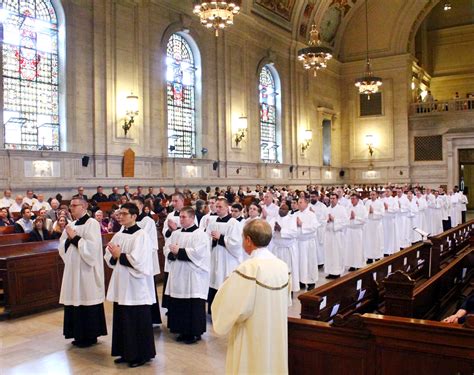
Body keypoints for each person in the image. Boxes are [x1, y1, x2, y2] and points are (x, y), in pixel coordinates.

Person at [212, 219, 290, 375]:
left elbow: (235, 309)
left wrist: (228, 284)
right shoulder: (282, 266)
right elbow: (286, 301)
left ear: (248, 240)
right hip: (274, 332)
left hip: (252, 335)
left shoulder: (248, 268)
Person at [105, 203, 156, 368]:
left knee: (136, 320)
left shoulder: (141, 235)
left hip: (136, 286)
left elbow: (140, 261)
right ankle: (126, 352)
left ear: (134, 216)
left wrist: (120, 255)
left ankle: (140, 355)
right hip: (122, 283)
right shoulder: (120, 234)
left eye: (124, 214)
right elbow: (109, 256)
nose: (120, 216)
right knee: (123, 319)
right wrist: (113, 255)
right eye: (119, 214)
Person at [58, 197, 107, 348]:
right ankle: (77, 334)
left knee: (86, 299)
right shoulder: (71, 225)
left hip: (86, 271)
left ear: (84, 207)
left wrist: (74, 237)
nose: (71, 208)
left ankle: (90, 335)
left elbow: (92, 248)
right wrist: (69, 239)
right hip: (73, 270)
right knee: (74, 299)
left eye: (74, 205)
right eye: (70, 206)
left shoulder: (91, 223)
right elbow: (62, 245)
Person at [164, 206, 210, 344]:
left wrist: (180, 251)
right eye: (180, 217)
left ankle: (194, 332)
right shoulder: (176, 233)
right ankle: (181, 330)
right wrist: (172, 252)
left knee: (192, 303)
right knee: (179, 303)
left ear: (192, 218)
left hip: (193, 275)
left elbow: (199, 253)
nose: (181, 219)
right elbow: (166, 248)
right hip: (178, 273)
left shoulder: (200, 234)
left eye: (184, 217)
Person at [206, 197, 243, 312]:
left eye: (220, 206)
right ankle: (213, 310)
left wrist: (220, 238)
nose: (217, 209)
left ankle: (227, 311)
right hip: (214, 256)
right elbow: (206, 239)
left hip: (227, 258)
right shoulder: (212, 222)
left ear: (227, 208)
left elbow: (236, 243)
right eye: (216, 206)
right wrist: (211, 240)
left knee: (225, 282)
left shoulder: (234, 223)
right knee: (214, 281)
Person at [132, 197, 162, 325]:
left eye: (133, 205)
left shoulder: (147, 221)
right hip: (132, 261)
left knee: (148, 288)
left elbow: (149, 243)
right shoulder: (130, 221)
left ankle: (151, 318)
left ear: (140, 205)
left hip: (144, 260)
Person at [268, 203, 299, 293]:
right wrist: (274, 229)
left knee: (288, 270)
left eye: (284, 209)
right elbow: (268, 232)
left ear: (288, 210)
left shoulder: (291, 219)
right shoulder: (274, 219)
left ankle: (290, 290)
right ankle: (277, 288)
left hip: (287, 250)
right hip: (277, 249)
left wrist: (281, 230)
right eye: (280, 208)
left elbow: (294, 233)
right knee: (277, 270)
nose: (281, 210)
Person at [295, 195, 319, 290]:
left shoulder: (311, 214)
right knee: (300, 263)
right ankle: (301, 281)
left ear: (306, 203)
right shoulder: (296, 214)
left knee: (309, 262)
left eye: (300, 202)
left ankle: (311, 281)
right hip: (298, 242)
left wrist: (302, 224)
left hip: (308, 243)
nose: (299, 204)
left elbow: (314, 227)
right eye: (298, 203)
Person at [324, 193, 350, 278]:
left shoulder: (341, 209)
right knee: (329, 253)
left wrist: (334, 220)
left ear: (337, 199)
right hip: (328, 235)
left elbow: (346, 222)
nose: (332, 200)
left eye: (333, 198)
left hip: (337, 235)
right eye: (330, 198)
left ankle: (337, 272)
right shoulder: (327, 209)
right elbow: (322, 221)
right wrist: (326, 221)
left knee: (337, 253)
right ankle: (330, 271)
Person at [345, 193, 368, 271]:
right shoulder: (348, 208)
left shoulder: (362, 208)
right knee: (350, 248)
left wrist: (355, 217)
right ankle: (352, 264)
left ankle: (358, 264)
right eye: (351, 198)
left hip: (358, 231)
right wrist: (350, 218)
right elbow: (344, 219)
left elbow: (364, 219)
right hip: (350, 230)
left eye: (354, 198)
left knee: (358, 248)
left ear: (358, 199)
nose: (352, 200)